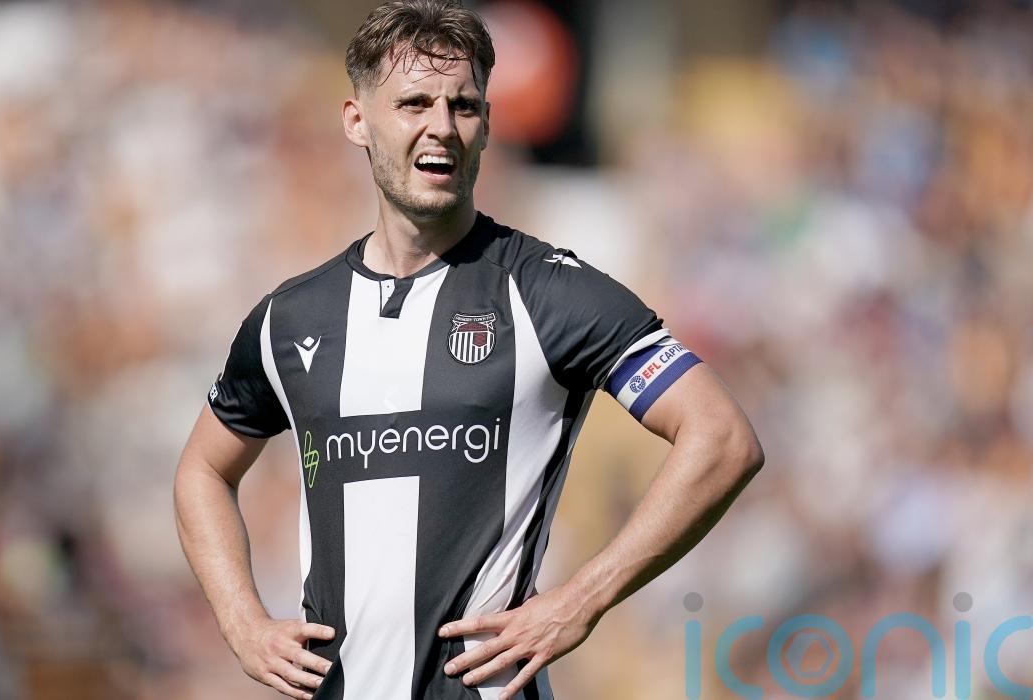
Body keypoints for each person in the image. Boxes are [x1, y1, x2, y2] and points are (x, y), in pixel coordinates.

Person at [173, 1, 763, 698]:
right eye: (414, 104)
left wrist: (583, 599)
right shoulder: (291, 316)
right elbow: (203, 471)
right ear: (356, 121)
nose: (442, 127)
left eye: (464, 106)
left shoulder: (548, 294)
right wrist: (242, 622)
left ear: (486, 124)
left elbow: (722, 438)